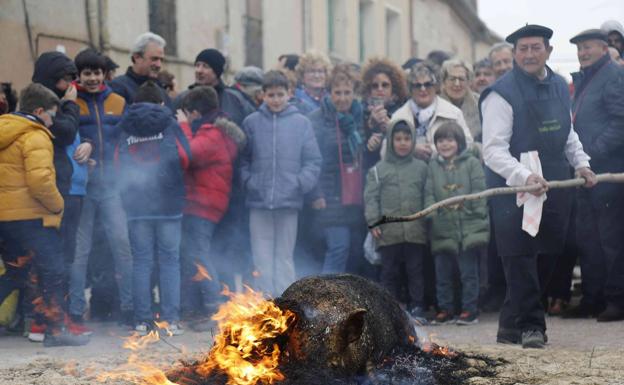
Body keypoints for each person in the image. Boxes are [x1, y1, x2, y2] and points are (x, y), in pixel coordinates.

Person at [480, 24, 597, 348]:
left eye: (535, 48)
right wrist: (523, 177)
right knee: (519, 256)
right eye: (522, 49)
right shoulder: (500, 94)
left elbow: (568, 134)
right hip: (513, 188)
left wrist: (582, 163)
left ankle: (508, 327)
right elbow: (492, 150)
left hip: (555, 182)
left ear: (547, 50)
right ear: (514, 54)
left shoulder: (560, 86)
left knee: (549, 254)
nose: (529, 54)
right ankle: (533, 326)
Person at [0, 83, 89, 347]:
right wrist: (57, 205)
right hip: (33, 219)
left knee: (18, 274)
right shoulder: (36, 135)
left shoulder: (5, 129)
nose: (53, 121)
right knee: (54, 271)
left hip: (5, 220)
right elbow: (40, 181)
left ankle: (46, 327)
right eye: (52, 114)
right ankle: (55, 330)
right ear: (39, 111)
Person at [116, 81, 191, 336]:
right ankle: (171, 320)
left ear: (135, 102)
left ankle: (142, 321)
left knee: (141, 262)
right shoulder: (170, 122)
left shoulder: (125, 124)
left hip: (137, 207)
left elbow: (116, 163)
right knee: (170, 261)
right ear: (161, 103)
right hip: (169, 206)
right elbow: (185, 156)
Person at [241, 70, 321, 296]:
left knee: (284, 257)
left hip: (289, 202)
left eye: (280, 94)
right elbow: (243, 160)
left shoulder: (301, 123)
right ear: (263, 95)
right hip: (258, 202)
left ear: (289, 94)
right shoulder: (252, 122)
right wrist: (249, 181)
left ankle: (286, 305)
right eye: (271, 95)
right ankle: (266, 305)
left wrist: (300, 183)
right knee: (261, 258)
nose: (275, 100)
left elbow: (313, 160)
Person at [562, 29, 624, 322]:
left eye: (588, 47)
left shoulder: (613, 76)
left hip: (606, 172)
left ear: (603, 48)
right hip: (585, 173)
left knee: (610, 240)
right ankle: (592, 297)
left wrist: (591, 154)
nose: (582, 53)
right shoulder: (586, 78)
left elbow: (620, 122)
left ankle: (617, 300)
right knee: (587, 238)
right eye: (579, 48)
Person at [69, 50, 133, 327]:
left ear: (104, 75)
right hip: (83, 189)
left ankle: (129, 308)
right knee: (79, 251)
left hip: (112, 186)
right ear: (79, 76)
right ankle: (75, 310)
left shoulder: (118, 101)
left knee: (122, 246)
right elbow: (68, 135)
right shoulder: (72, 102)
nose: (92, 78)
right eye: (87, 73)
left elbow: (123, 137)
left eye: (97, 73)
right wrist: (84, 147)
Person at [176, 86, 246, 329]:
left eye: (189, 114)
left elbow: (189, 154)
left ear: (195, 112)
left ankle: (213, 310)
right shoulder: (219, 129)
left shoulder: (211, 133)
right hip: (207, 202)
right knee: (198, 254)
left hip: (202, 204)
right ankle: (203, 309)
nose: (188, 119)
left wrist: (183, 127)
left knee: (200, 255)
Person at [425, 122, 489, 325]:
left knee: (468, 272)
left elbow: (480, 191)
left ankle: (470, 309)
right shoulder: (433, 166)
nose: (445, 145)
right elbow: (428, 192)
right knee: (442, 272)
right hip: (443, 226)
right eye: (441, 140)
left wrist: (474, 213)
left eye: (450, 140)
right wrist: (432, 214)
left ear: (459, 142)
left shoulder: (471, 163)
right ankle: (446, 309)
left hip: (467, 226)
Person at [364, 119, 428, 322]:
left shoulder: (421, 168)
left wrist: (428, 219)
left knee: (415, 271)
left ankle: (417, 307)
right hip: (388, 232)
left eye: (407, 139)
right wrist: (373, 221)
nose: (402, 143)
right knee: (389, 272)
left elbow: (428, 194)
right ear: (390, 141)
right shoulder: (378, 169)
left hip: (415, 230)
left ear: (413, 141)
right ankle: (389, 310)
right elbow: (371, 197)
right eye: (398, 139)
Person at [308, 63, 366, 274]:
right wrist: (316, 193)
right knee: (338, 248)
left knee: (354, 254)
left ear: (354, 92)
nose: (342, 98)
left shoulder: (361, 117)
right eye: (337, 93)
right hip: (330, 198)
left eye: (347, 92)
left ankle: (343, 302)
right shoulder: (317, 119)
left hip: (356, 199)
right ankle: (323, 300)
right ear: (329, 93)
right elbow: (311, 159)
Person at [385, 61, 473, 162]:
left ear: (436, 87)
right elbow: (385, 152)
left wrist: (435, 151)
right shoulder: (398, 116)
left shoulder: (453, 113)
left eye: (428, 84)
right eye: (417, 85)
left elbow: (468, 144)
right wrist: (410, 149)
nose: (423, 89)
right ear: (410, 89)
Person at [174, 48, 256, 126]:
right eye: (197, 65)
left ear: (217, 71)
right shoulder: (182, 99)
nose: (199, 70)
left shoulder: (235, 100)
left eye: (205, 66)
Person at [360, 57, 408, 169]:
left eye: (385, 85)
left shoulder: (403, 112)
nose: (380, 89)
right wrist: (370, 128)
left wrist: (391, 129)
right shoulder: (361, 112)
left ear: (394, 89)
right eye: (375, 86)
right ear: (369, 90)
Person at [109, 32, 170, 106]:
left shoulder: (162, 92)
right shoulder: (117, 88)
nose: (159, 65)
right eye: (154, 59)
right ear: (137, 57)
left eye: (161, 60)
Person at [440, 59, 482, 142]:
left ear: (469, 82)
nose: (457, 84)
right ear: (444, 82)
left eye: (461, 79)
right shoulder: (435, 104)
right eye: (452, 79)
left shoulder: (480, 103)